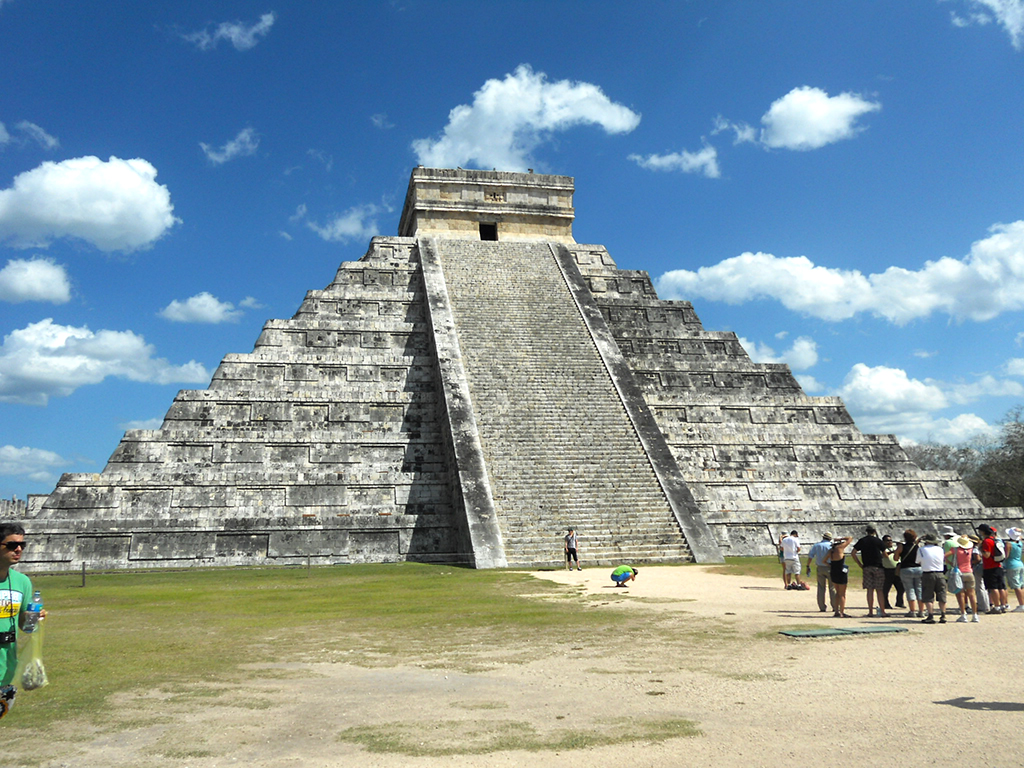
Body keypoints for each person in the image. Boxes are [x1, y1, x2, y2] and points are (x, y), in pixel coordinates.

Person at [0, 522, 37, 719]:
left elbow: (26, 626)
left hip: (6, 669)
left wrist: (33, 618)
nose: (19, 549)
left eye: (23, 544)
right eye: (12, 545)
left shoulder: (22, 582)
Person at [852, 525, 888, 617]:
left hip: (867, 567)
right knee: (879, 590)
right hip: (878, 567)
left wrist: (860, 564)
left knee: (869, 590)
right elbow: (885, 555)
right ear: (875, 531)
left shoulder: (862, 540)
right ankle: (883, 611)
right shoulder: (878, 541)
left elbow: (853, 553)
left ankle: (870, 611)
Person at [978, 524, 1009, 614]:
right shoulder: (994, 540)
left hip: (990, 566)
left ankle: (996, 606)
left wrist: (980, 549)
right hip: (998, 565)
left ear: (983, 532)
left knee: (993, 587)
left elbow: (987, 555)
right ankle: (1003, 605)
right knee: (1001, 587)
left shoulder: (986, 541)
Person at [949, 534, 980, 622]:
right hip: (969, 572)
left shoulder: (955, 549)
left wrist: (951, 563)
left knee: (961, 595)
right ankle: (975, 615)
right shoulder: (970, 549)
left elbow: (945, 556)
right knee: (972, 594)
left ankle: (963, 614)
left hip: (959, 573)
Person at [917, 533, 947, 624]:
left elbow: (918, 561)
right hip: (940, 573)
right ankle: (943, 615)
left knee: (928, 595)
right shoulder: (940, 549)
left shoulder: (921, 549)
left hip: (928, 573)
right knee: (941, 594)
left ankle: (930, 615)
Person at [806, 532, 837, 612]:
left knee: (821, 588)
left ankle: (822, 607)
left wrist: (808, 566)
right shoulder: (832, 546)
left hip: (820, 567)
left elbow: (810, 556)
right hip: (831, 567)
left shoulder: (817, 545)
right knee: (832, 588)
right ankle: (835, 606)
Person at [825, 535, 854, 617]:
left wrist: (830, 565)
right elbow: (850, 538)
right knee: (842, 594)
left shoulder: (831, 551)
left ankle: (836, 611)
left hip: (833, 572)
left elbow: (824, 561)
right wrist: (841, 538)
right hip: (841, 572)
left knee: (837, 593)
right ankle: (842, 612)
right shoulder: (840, 548)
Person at [896, 529, 923, 618]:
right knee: (919, 589)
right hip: (918, 568)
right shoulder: (918, 546)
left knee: (910, 590)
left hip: (906, 569)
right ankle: (921, 611)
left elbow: (896, 558)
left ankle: (912, 611)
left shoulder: (901, 547)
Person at [881, 534, 904, 610]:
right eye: (887, 541)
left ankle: (899, 602)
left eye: (890, 540)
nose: (890, 542)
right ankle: (886, 604)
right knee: (886, 589)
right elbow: (884, 555)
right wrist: (893, 552)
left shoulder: (895, 548)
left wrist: (900, 546)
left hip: (896, 569)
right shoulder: (882, 549)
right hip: (887, 570)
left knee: (901, 588)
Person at [1004, 527, 1024, 612]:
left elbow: (1006, 556)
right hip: (1020, 564)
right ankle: (1022, 603)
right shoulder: (1020, 542)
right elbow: (1020, 536)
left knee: (1016, 586)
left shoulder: (1009, 544)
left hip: (1012, 565)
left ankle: (1021, 604)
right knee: (1021, 585)